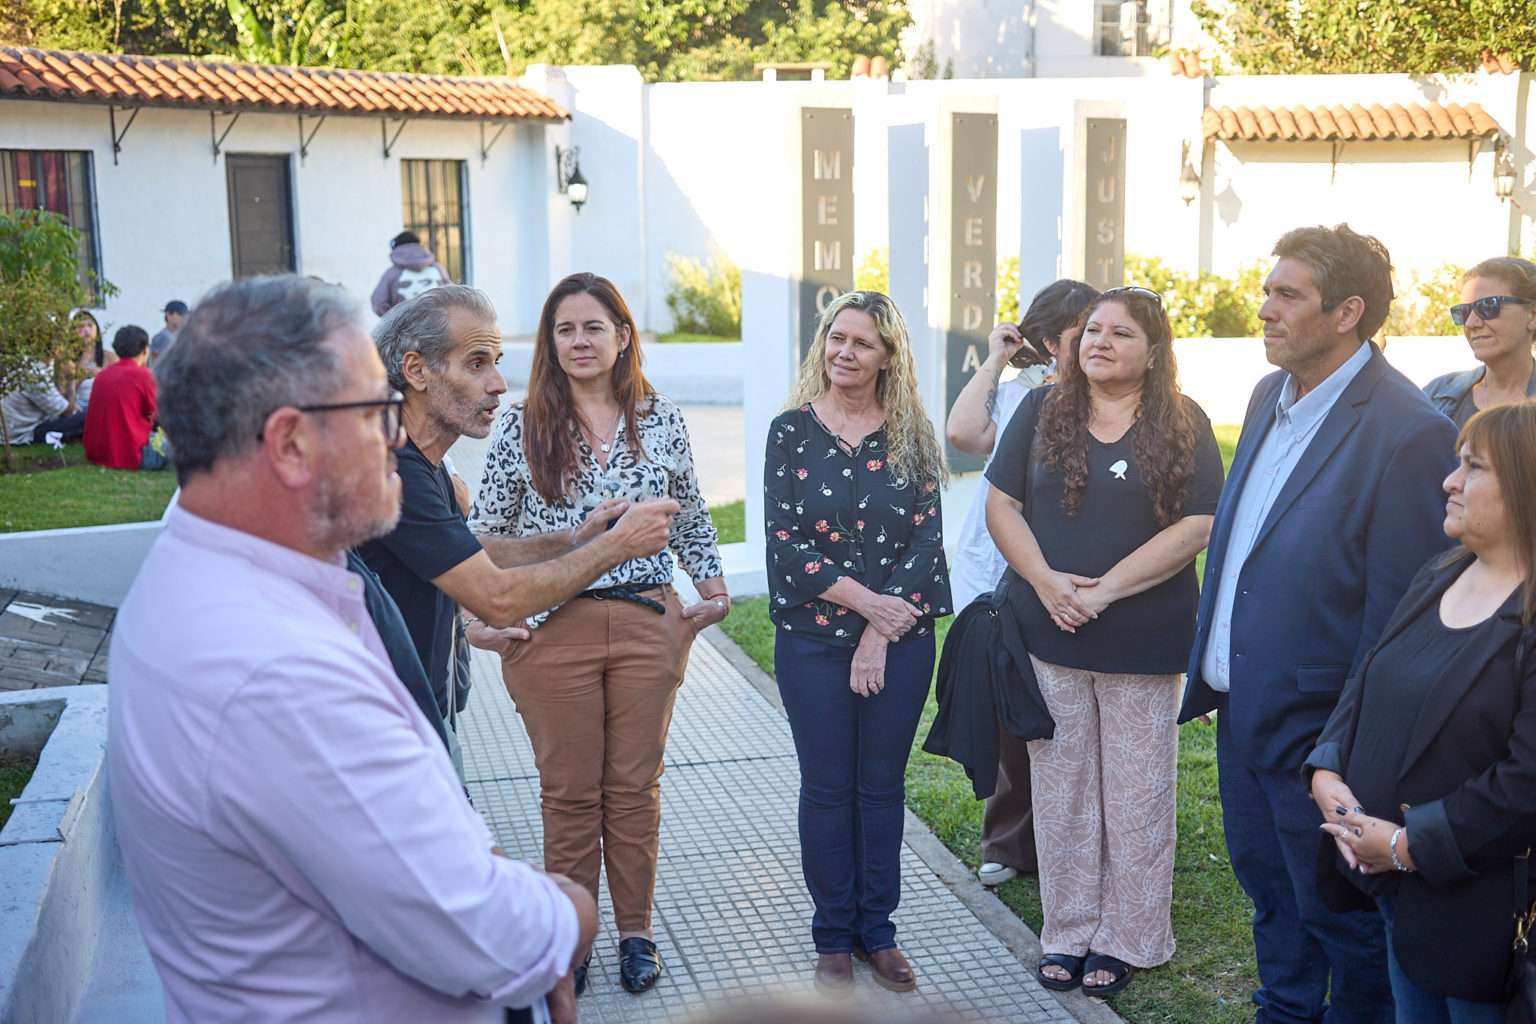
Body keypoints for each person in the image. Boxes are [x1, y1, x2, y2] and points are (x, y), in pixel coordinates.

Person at [107, 274, 598, 1023]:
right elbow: (488, 937)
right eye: (375, 412)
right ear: (293, 443)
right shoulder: (278, 674)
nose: (398, 436)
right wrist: (566, 909)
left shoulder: (210, 563)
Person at [1179, 224, 1459, 1024]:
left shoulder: (1409, 432)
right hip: (1243, 713)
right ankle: (1285, 1011)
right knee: (1270, 895)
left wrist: (1339, 752)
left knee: (1341, 917)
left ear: (1348, 312)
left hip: (1323, 740)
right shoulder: (1271, 395)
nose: (1263, 309)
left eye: (1286, 295)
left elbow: (1399, 623)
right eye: (1269, 290)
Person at [471, 272, 729, 997]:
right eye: (564, 329)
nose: (579, 342)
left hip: (650, 619)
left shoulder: (662, 417)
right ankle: (571, 936)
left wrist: (710, 590)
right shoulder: (524, 423)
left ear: (623, 337)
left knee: (634, 788)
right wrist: (561, 547)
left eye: (593, 327)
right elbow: (482, 538)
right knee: (570, 791)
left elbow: (693, 512)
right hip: (555, 627)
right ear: (550, 345)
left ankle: (636, 932)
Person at [984, 286, 1223, 996]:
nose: (1101, 341)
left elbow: (1200, 523)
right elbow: (1001, 504)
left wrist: (1107, 589)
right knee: (1061, 792)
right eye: (1092, 330)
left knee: (1137, 792)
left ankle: (1132, 935)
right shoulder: (1040, 410)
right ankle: (1069, 930)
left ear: (1153, 352)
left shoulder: (1182, 420)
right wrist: (1050, 585)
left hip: (1143, 639)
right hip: (1048, 630)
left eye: (1121, 333)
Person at [360, 285, 680, 762]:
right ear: (416, 370)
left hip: (418, 714)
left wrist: (576, 538)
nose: (498, 383)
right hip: (385, 729)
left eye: (496, 360)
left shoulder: (427, 469)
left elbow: (472, 551)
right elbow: (498, 597)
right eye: (476, 363)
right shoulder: (396, 473)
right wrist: (615, 548)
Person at [1304, 402, 1536, 1021]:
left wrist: (1408, 844)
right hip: (1401, 897)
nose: (1449, 481)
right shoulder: (1441, 571)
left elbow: (1526, 782)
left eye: (1473, 467)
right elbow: (1370, 677)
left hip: (1488, 922)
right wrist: (1326, 769)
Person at [764, 290, 952, 994]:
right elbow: (784, 546)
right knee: (827, 786)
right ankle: (832, 935)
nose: (844, 352)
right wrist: (866, 605)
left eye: (861, 343)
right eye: (836, 338)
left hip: (899, 643)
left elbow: (925, 541)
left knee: (880, 788)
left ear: (887, 357)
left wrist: (878, 630)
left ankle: (879, 931)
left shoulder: (913, 436)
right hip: (812, 641)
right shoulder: (790, 433)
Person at [944, 277, 1098, 889]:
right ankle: (1010, 841)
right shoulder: (1016, 395)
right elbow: (960, 435)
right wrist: (996, 359)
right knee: (1012, 706)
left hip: (1071, 568)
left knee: (1070, 709)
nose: (1089, 346)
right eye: (1077, 334)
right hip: (1002, 568)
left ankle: (1074, 837)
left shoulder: (1110, 398)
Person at [1423, 257, 1536, 426]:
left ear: (1532, 316)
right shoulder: (1436, 395)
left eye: (1489, 306)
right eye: (1463, 312)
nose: (1470, 323)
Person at [83, 325, 167, 471]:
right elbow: (154, 414)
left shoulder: (102, 375)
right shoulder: (143, 375)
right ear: (145, 350)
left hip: (97, 454)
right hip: (131, 456)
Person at [1, 361, 83, 446]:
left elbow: (56, 400)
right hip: (25, 434)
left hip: (22, 427)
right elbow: (67, 411)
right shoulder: (33, 372)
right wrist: (72, 381)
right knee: (92, 416)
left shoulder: (28, 363)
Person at [371, 231, 451, 316]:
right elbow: (450, 295)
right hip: (438, 323)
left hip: (406, 325)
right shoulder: (437, 268)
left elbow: (378, 303)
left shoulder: (392, 273)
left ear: (396, 248)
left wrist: (393, 320)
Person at [148, 299, 187, 368]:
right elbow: (154, 362)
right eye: (181, 314)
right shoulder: (161, 337)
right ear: (168, 315)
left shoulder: (185, 336)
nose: (185, 317)